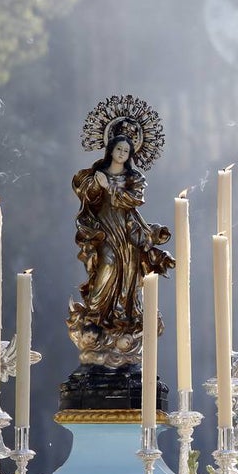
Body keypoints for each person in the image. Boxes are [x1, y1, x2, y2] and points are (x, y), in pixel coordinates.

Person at [70, 133, 173, 356]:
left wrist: (109, 187)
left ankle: (120, 318)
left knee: (126, 274)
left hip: (126, 232)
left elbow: (135, 199)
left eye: (126, 151)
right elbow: (85, 195)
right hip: (103, 229)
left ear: (130, 155)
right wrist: (98, 186)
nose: (122, 154)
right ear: (111, 150)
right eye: (118, 149)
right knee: (107, 265)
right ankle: (94, 316)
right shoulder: (97, 173)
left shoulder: (134, 177)